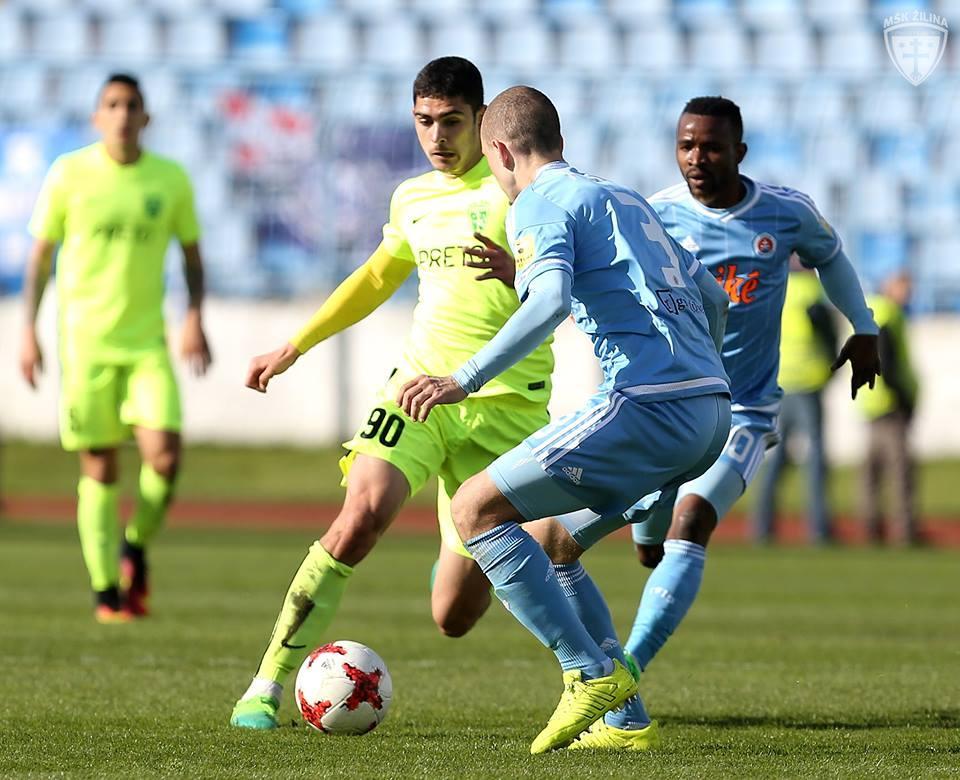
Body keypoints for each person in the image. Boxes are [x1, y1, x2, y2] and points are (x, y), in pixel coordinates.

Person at [397, 85, 732, 754]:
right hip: (711, 410)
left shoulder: (537, 203)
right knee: (553, 543)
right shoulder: (626, 199)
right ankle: (625, 721)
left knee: (473, 510)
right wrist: (703, 377)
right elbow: (714, 298)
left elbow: (549, 300)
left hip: (648, 404)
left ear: (498, 151)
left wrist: (463, 379)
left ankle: (589, 673)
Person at [229, 57, 554, 730]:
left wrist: (519, 273)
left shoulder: (522, 193)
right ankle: (264, 684)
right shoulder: (412, 198)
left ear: (482, 120)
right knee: (360, 516)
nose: (437, 137)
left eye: (451, 122)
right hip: (417, 391)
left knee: (452, 617)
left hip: (505, 409)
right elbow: (377, 277)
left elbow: (569, 289)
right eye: (424, 122)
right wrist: (294, 345)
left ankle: (460, 536)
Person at [611, 96, 880, 726]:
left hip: (747, 411)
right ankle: (646, 535)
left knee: (693, 521)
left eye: (710, 147)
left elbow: (831, 257)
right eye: (686, 146)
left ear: (739, 152)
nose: (696, 158)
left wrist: (864, 326)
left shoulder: (784, 213)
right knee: (651, 537)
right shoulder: (657, 216)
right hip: (671, 404)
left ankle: (621, 679)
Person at [19, 73, 212, 623]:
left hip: (147, 343)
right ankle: (106, 590)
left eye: (131, 105)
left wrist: (194, 317)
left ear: (145, 117)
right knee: (100, 469)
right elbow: (40, 257)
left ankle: (135, 543)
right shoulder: (69, 174)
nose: (122, 114)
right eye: (112, 104)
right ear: (97, 117)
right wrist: (28, 330)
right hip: (85, 347)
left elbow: (192, 257)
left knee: (165, 457)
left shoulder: (169, 178)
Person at [753, 259, 838, 544]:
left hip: (777, 382)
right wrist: (831, 368)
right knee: (815, 457)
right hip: (808, 383)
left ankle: (762, 526)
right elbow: (829, 338)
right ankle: (819, 527)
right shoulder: (810, 292)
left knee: (775, 456)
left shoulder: (774, 289)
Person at [857, 271, 920, 544]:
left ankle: (870, 528)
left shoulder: (869, 311)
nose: (908, 294)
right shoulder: (889, 314)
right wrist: (903, 396)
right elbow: (887, 361)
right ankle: (904, 530)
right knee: (900, 470)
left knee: (871, 471)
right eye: (904, 288)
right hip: (889, 404)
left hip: (871, 402)